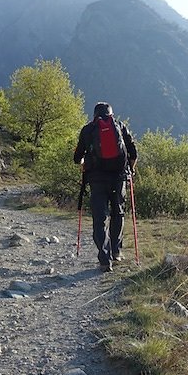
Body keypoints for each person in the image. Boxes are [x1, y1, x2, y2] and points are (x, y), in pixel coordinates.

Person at [73, 102, 137, 272]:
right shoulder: (120, 126)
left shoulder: (87, 130)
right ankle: (116, 252)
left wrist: (83, 164)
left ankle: (104, 260)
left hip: (97, 179)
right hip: (118, 177)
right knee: (118, 213)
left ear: (94, 115)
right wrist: (131, 169)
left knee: (100, 218)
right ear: (111, 114)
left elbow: (77, 157)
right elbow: (133, 153)